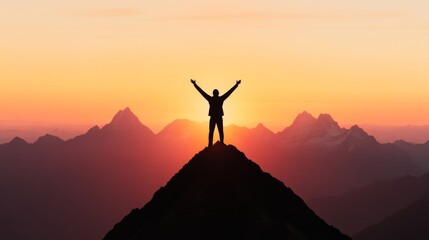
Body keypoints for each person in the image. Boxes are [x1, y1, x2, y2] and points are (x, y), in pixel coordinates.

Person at [191, 79, 241, 147]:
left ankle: (210, 144)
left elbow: (202, 92)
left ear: (213, 93)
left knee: (212, 132)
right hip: (219, 117)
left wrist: (195, 84)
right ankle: (221, 143)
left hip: (213, 117)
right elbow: (229, 92)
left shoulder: (211, 99)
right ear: (218, 93)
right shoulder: (220, 99)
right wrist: (236, 85)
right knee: (220, 131)